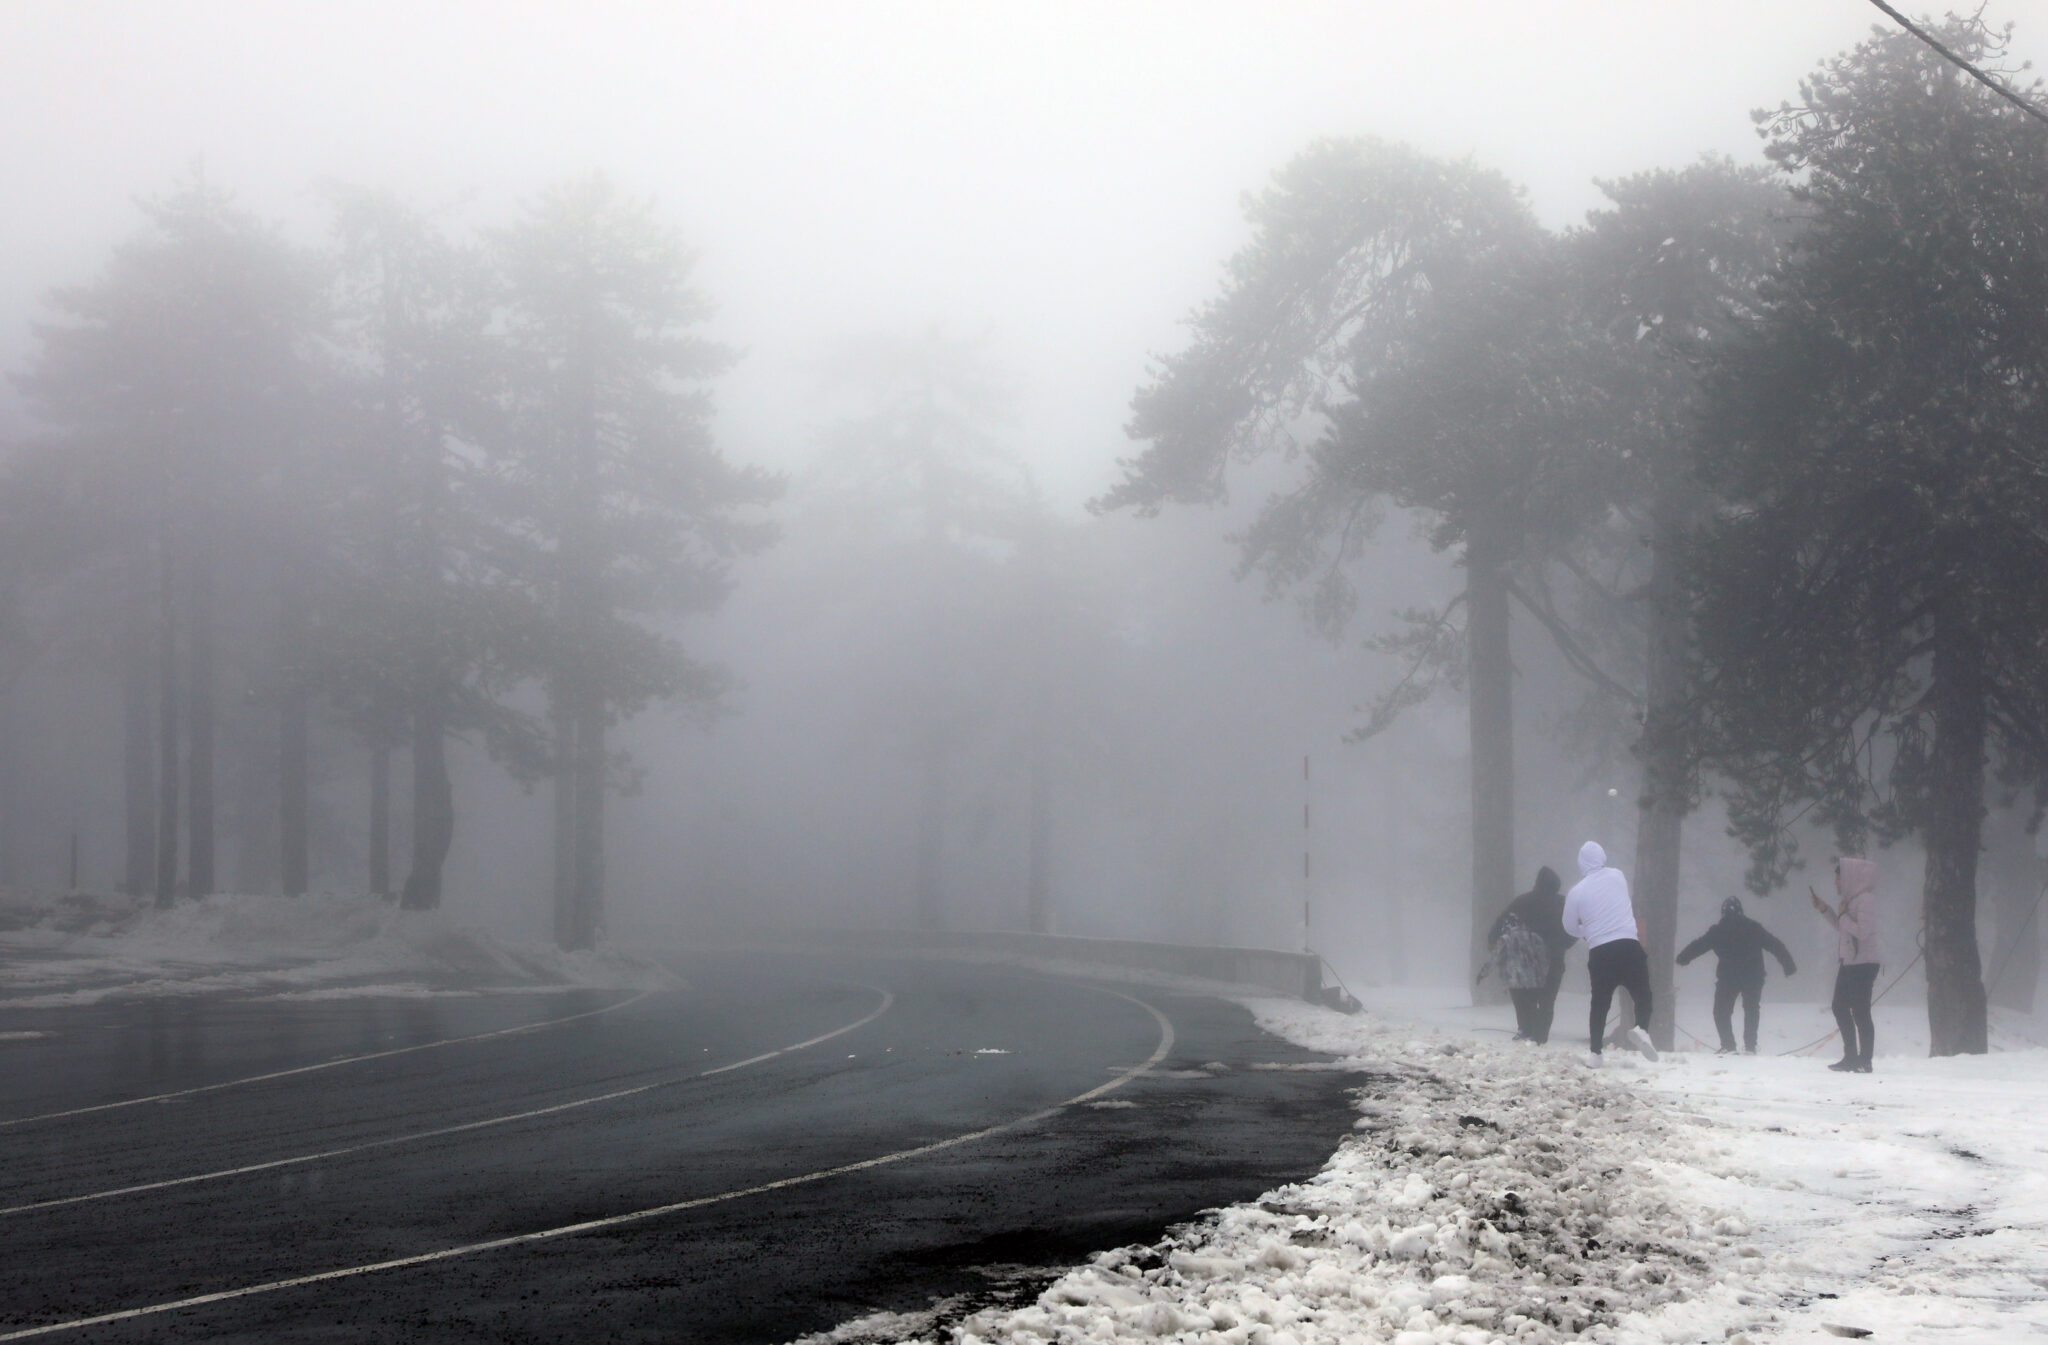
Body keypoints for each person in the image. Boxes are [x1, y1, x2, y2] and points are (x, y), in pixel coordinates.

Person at [1563, 840, 1657, 1067]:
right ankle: (1642, 1028)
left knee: (1600, 1003)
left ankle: (1596, 1053)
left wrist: (1585, 931)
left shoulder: (1576, 892)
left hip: (1601, 952)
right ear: (1603, 858)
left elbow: (1568, 926)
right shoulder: (1618, 876)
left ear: (1581, 864)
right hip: (1629, 945)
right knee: (1643, 994)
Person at [1676, 896, 1797, 1054]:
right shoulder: (1753, 928)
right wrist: (1788, 965)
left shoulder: (1718, 931)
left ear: (1723, 913)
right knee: (1751, 1009)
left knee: (1721, 1011)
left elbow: (1699, 945)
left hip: (1728, 978)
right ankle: (1750, 1046)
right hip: (1753, 976)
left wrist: (1683, 958)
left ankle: (1728, 1045)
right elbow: (1775, 945)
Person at [1486, 865, 1575, 1044]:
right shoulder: (1564, 904)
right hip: (1553, 960)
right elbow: (1573, 932)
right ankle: (1540, 1037)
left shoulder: (1522, 902)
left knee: (1523, 997)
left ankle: (1525, 1029)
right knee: (1547, 1001)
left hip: (1523, 962)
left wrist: (1495, 946)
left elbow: (1499, 926)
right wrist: (1561, 946)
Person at [1810, 855, 1881, 1072]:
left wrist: (1841, 917)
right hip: (1849, 961)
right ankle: (1850, 1056)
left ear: (1849, 878)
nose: (1836, 883)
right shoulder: (1852, 900)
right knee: (1839, 1007)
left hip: (1864, 963)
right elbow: (1843, 927)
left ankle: (1864, 1060)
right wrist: (1825, 910)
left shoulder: (1866, 899)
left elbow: (1863, 931)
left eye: (1838, 878)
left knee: (1860, 1011)